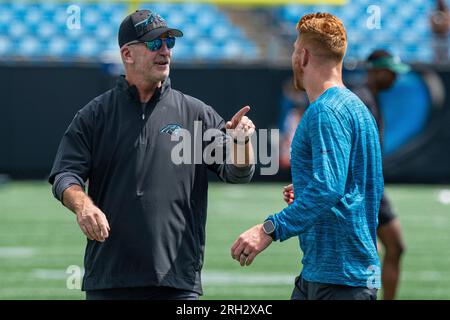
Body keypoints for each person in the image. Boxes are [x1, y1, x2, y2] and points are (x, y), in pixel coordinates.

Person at [49, 9, 255, 300]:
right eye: (154, 43)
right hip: (110, 280)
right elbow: (64, 174)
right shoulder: (95, 115)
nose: (165, 51)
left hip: (177, 281)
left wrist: (242, 142)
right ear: (127, 54)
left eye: (169, 43)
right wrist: (82, 205)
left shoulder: (195, 113)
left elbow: (237, 173)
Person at [230, 13, 383, 300]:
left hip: (339, 279)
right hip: (329, 274)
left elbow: (329, 187)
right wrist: (306, 189)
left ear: (303, 56)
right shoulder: (357, 107)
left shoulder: (326, 111)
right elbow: (351, 185)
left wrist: (268, 230)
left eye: (293, 50)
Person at [283, 49, 408, 300]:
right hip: (357, 190)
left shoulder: (362, 99)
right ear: (375, 70)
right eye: (390, 72)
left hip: (360, 189)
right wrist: (271, 228)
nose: (394, 78)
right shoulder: (357, 101)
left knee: (387, 248)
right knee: (388, 247)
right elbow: (335, 170)